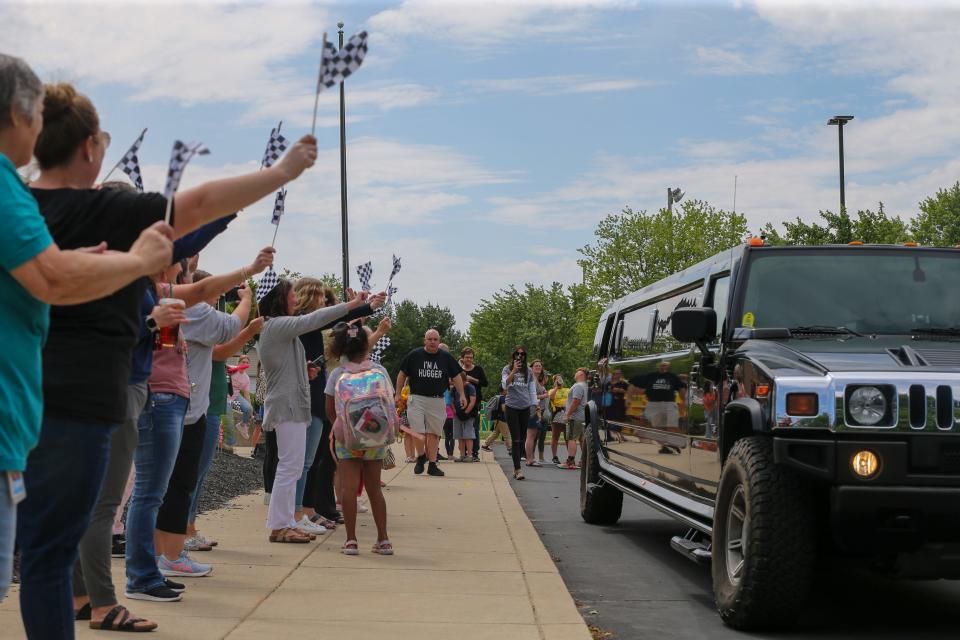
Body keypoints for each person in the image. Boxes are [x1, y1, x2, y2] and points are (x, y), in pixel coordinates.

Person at [0, 55, 175, 613]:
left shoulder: (20, 198)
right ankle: (101, 598)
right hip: (74, 404)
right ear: (18, 112)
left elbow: (46, 269)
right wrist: (137, 259)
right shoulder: (9, 188)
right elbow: (50, 276)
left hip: (45, 408)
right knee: (64, 543)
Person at [257, 269, 374, 543]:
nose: (295, 299)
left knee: (294, 467)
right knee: (290, 467)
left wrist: (305, 369)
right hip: (287, 406)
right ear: (279, 299)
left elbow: (284, 365)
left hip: (292, 405)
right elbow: (316, 318)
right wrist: (352, 305)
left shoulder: (278, 327)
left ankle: (285, 522)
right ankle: (279, 525)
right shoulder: (276, 324)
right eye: (291, 295)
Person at [293, 278, 382, 535]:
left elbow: (337, 324)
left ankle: (307, 509)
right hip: (307, 395)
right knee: (307, 462)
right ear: (309, 297)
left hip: (316, 393)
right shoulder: (303, 322)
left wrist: (366, 308)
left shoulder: (311, 322)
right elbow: (333, 321)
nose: (324, 302)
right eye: (320, 297)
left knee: (313, 459)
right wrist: (361, 306)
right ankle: (298, 511)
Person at [180, 271, 258, 556]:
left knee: (198, 474)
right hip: (202, 404)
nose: (217, 296)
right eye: (214, 291)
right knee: (191, 473)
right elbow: (221, 351)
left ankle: (189, 527)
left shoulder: (205, 320)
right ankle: (181, 531)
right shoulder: (196, 319)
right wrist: (249, 328)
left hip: (211, 402)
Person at [325, 323, 395, 556]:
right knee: (375, 489)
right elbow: (390, 404)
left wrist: (342, 429)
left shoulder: (338, 373)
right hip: (374, 436)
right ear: (367, 345)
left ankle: (351, 541)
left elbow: (329, 409)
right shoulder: (380, 371)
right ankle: (383, 539)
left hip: (347, 440)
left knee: (348, 488)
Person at [395, 330, 466, 478]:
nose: (432, 342)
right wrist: (397, 393)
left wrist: (462, 394)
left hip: (437, 399)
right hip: (417, 398)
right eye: (430, 339)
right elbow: (402, 373)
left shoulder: (446, 357)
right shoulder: (415, 355)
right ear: (424, 340)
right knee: (418, 431)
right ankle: (421, 457)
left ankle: (432, 465)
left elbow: (457, 376)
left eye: (435, 339)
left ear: (439, 341)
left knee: (434, 433)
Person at [501, 347, 539, 480]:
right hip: (511, 407)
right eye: (517, 354)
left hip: (525, 407)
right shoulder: (507, 368)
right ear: (513, 356)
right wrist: (514, 370)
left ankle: (516, 466)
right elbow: (505, 385)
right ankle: (518, 469)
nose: (520, 356)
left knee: (522, 439)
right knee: (516, 439)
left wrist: (535, 405)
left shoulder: (528, 370)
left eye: (522, 354)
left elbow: (532, 389)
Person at [459, 347, 487, 461]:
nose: (469, 359)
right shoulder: (459, 370)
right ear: (462, 358)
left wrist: (472, 379)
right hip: (460, 401)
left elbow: (485, 383)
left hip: (475, 402)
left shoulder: (478, 369)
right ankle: (464, 453)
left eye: (471, 357)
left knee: (473, 427)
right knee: (462, 428)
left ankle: (474, 453)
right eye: (467, 357)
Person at [561, 368, 590, 469]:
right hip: (584, 417)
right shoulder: (586, 386)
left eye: (577, 371)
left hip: (576, 416)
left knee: (572, 438)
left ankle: (570, 462)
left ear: (581, 374)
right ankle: (585, 461)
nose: (575, 372)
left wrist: (568, 414)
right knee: (582, 439)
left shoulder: (578, 386)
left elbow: (576, 401)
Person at [528, 359, 549, 464]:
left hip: (541, 410)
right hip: (533, 410)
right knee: (532, 435)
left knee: (538, 435)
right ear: (531, 367)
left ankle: (535, 457)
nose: (538, 367)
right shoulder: (531, 379)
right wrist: (544, 395)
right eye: (536, 366)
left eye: (540, 366)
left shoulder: (539, 381)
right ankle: (529, 457)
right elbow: (530, 395)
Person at [452, 374, 477, 462]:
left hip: (468, 415)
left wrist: (466, 412)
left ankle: (470, 455)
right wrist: (455, 410)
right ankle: (462, 455)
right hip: (457, 415)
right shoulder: (455, 388)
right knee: (459, 435)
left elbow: (472, 402)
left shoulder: (470, 387)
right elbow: (452, 400)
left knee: (468, 434)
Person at [229, 355, 254, 439]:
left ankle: (242, 425)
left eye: (247, 362)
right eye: (243, 362)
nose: (245, 364)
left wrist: (251, 411)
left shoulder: (246, 378)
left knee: (248, 408)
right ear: (238, 363)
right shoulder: (231, 369)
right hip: (225, 396)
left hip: (235, 397)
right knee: (228, 417)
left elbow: (247, 394)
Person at [548, 375, 569, 465]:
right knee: (555, 436)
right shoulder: (552, 390)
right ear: (554, 382)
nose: (559, 381)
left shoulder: (568, 390)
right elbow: (551, 398)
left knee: (568, 436)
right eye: (557, 379)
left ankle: (570, 457)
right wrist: (556, 387)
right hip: (557, 413)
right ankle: (554, 456)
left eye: (560, 379)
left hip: (567, 413)